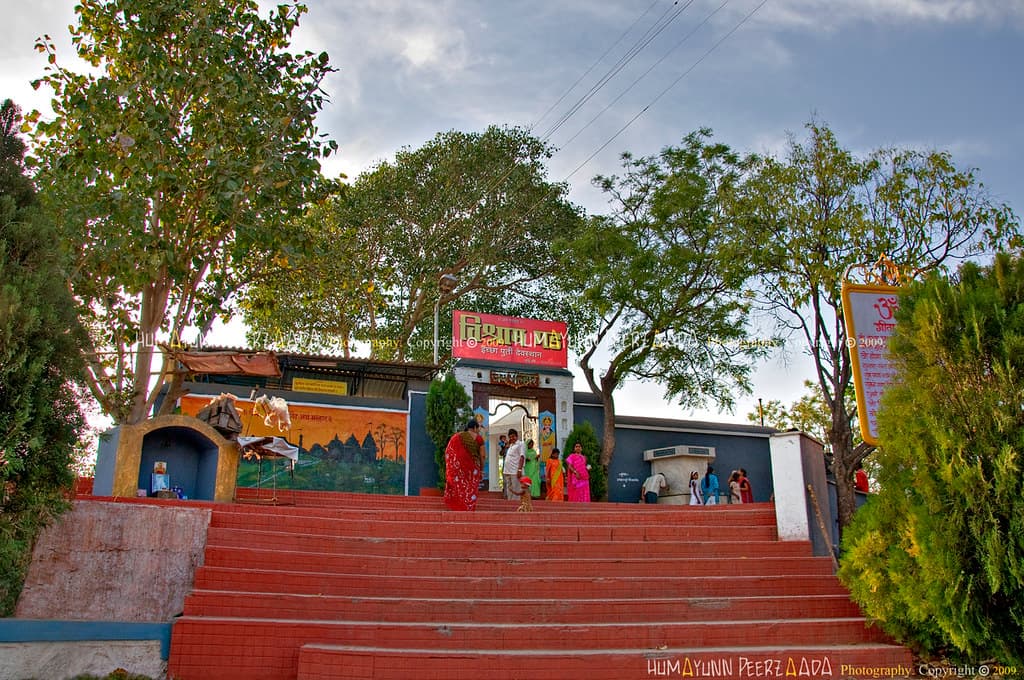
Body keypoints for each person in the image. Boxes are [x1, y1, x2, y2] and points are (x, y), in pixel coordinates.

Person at [443, 419, 484, 511]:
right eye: (478, 429)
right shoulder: (478, 438)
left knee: (459, 486)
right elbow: (483, 455)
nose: (478, 431)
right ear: (474, 427)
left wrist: (453, 465)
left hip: (458, 469)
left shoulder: (456, 437)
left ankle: (457, 507)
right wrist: (481, 468)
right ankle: (468, 507)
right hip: (472, 469)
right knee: (470, 487)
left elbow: (448, 452)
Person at [502, 429, 525, 501]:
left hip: (515, 471)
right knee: (509, 489)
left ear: (517, 436)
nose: (512, 438)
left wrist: (520, 469)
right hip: (507, 471)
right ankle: (510, 504)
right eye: (510, 437)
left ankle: (516, 505)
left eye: (513, 436)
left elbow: (522, 457)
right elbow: (502, 453)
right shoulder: (510, 445)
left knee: (516, 489)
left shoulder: (521, 444)